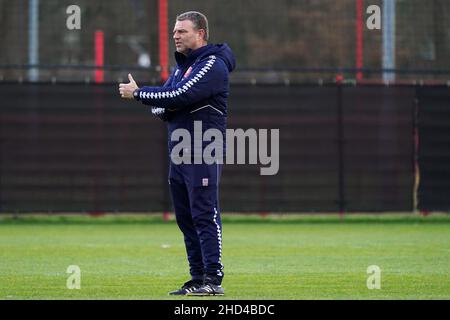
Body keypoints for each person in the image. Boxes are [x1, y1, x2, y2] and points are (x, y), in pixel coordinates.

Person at [119, 11, 236, 296]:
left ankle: (213, 279)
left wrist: (139, 94)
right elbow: (165, 104)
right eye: (174, 31)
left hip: (202, 150)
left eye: (182, 31)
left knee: (204, 215)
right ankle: (197, 278)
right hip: (180, 153)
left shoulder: (213, 64)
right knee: (186, 218)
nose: (176, 35)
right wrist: (167, 101)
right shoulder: (183, 67)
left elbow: (177, 96)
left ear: (201, 34)